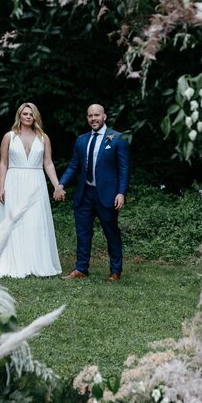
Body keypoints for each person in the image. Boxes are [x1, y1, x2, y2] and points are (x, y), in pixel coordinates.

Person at [54, 104, 130, 282]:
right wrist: (60, 184)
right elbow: (74, 165)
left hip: (108, 195)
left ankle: (115, 271)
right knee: (83, 233)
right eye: (90, 116)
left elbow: (124, 169)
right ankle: (81, 269)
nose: (93, 119)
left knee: (111, 233)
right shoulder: (81, 140)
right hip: (85, 194)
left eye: (97, 115)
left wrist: (121, 193)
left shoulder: (117, 138)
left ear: (104, 117)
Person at [0, 103, 62, 278]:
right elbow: (3, 163)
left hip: (36, 182)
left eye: (31, 114)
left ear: (35, 117)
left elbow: (48, 163)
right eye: (25, 114)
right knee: (15, 220)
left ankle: (36, 262)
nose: (28, 117)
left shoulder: (43, 138)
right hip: (14, 182)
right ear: (19, 116)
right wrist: (1, 187)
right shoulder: (9, 137)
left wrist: (57, 185)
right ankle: (15, 262)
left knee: (36, 220)